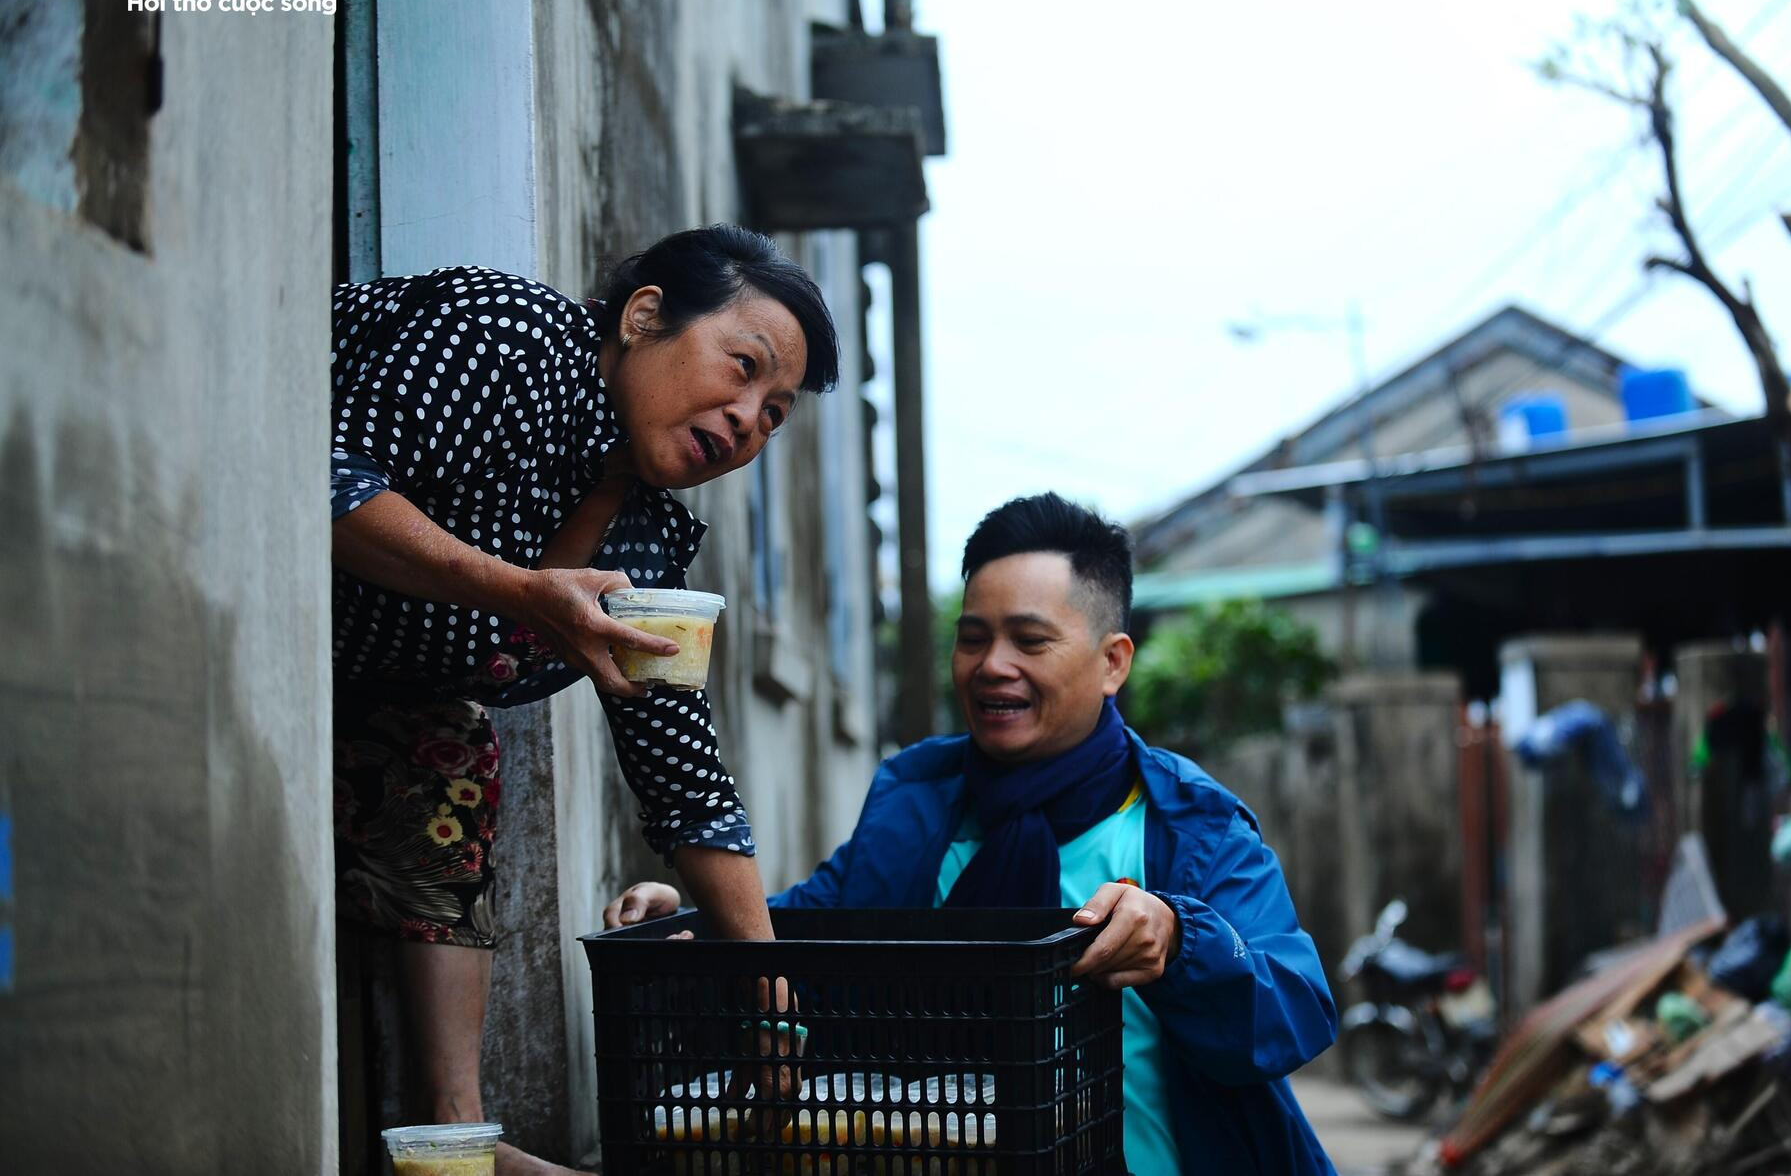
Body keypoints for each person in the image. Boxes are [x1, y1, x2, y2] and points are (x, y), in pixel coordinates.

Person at [606, 493, 1339, 1174]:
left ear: (1113, 662)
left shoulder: (1191, 825)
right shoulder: (915, 799)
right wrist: (699, 924)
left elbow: (1295, 1009)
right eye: (973, 638)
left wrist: (1180, 940)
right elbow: (803, 940)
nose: (992, 667)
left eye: (1030, 640)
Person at [332, 224, 837, 1176]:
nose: (747, 420)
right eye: (742, 368)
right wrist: (520, 589)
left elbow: (685, 782)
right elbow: (324, 481)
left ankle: (455, 1138)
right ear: (643, 316)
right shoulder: (504, 333)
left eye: (774, 414)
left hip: (375, 693)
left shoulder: (644, 542)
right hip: (251, 597)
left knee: (448, 750)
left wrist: (772, 1001)